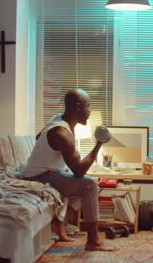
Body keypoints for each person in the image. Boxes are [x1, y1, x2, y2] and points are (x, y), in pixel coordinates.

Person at [22, 88, 117, 251]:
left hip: (50, 172)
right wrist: (99, 143)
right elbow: (79, 171)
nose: (90, 111)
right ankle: (93, 241)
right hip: (38, 176)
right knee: (89, 185)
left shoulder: (58, 119)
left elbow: (39, 137)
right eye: (88, 106)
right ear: (78, 107)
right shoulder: (61, 133)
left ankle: (59, 223)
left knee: (86, 183)